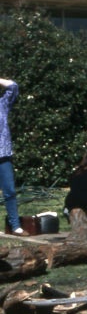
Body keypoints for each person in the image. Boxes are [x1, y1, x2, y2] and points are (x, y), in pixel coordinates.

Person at [0, 76, 20, 234]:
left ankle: (15, 225)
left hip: (3, 155)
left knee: (10, 191)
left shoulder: (3, 105)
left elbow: (13, 87)